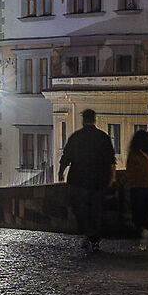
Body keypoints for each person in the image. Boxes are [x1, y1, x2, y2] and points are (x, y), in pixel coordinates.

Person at [57, 108, 118, 252]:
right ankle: (94, 238)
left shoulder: (76, 137)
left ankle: (89, 234)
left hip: (79, 180)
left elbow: (66, 157)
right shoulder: (103, 137)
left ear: (83, 120)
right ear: (94, 119)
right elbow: (111, 160)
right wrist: (112, 179)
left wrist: (61, 173)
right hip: (99, 180)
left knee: (81, 209)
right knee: (96, 209)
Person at [123, 127, 148, 249]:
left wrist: (122, 183)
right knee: (146, 213)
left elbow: (130, 172)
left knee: (137, 215)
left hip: (137, 187)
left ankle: (145, 236)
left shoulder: (134, 154)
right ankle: (145, 238)